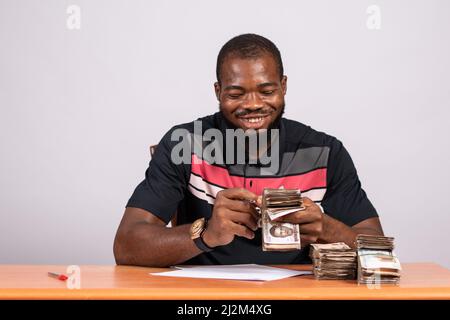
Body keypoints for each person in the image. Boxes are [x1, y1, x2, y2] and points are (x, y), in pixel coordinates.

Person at [113, 33, 383, 267]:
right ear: (218, 92)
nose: (253, 104)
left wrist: (326, 228)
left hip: (295, 294)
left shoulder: (325, 152)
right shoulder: (184, 144)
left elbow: (379, 251)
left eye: (266, 91)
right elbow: (126, 246)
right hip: (204, 296)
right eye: (236, 93)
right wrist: (205, 233)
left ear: (284, 86)